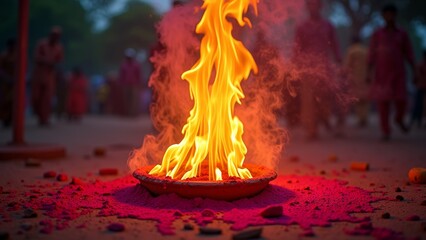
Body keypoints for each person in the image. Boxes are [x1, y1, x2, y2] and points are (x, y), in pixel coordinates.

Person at [292, 0, 341, 140]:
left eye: (316, 4)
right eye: (311, 4)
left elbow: (335, 44)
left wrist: (338, 59)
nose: (314, 7)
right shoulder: (302, 27)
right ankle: (311, 130)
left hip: (324, 68)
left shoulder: (328, 26)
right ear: (307, 7)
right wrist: (296, 66)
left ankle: (324, 120)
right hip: (308, 69)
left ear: (320, 6)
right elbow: (297, 48)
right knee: (308, 100)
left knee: (324, 99)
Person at [367, 4, 415, 141]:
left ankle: (399, 118)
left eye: (391, 14)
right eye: (386, 14)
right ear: (382, 16)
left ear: (395, 15)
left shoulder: (402, 34)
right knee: (383, 104)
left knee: (402, 100)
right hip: (381, 74)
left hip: (398, 74)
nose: (389, 17)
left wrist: (415, 72)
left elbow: (410, 54)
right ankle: (386, 131)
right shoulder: (378, 34)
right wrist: (368, 73)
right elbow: (371, 55)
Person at [31, 26, 64, 126]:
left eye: (57, 36)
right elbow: (36, 57)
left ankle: (44, 118)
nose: (55, 37)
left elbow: (60, 61)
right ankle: (39, 114)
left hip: (50, 75)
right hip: (39, 74)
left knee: (47, 98)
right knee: (36, 97)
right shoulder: (42, 44)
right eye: (54, 35)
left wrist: (55, 66)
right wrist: (47, 61)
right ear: (50, 35)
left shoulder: (59, 47)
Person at [344, 36, 370, 127]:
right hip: (366, 77)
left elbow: (348, 65)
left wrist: (345, 74)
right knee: (366, 99)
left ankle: (360, 118)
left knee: (357, 99)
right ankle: (364, 118)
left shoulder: (351, 50)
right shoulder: (366, 50)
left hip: (355, 77)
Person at [119, 48, 141, 117]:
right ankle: (127, 113)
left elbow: (138, 75)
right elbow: (121, 75)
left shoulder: (136, 65)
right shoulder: (124, 65)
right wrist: (121, 83)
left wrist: (139, 83)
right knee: (126, 99)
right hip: (126, 84)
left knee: (134, 99)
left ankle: (133, 113)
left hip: (134, 84)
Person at [0, 38, 17, 127]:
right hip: (5, 83)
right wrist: (7, 78)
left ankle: (11, 118)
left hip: (16, 82)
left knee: (14, 101)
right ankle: (5, 119)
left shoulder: (18, 56)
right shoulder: (3, 56)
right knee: (5, 101)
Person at [410, 50, 426, 128]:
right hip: (420, 87)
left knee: (418, 104)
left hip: (420, 86)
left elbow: (416, 75)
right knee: (418, 104)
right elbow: (416, 75)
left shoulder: (420, 64)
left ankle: (415, 120)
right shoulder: (420, 65)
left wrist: (414, 82)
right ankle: (416, 120)